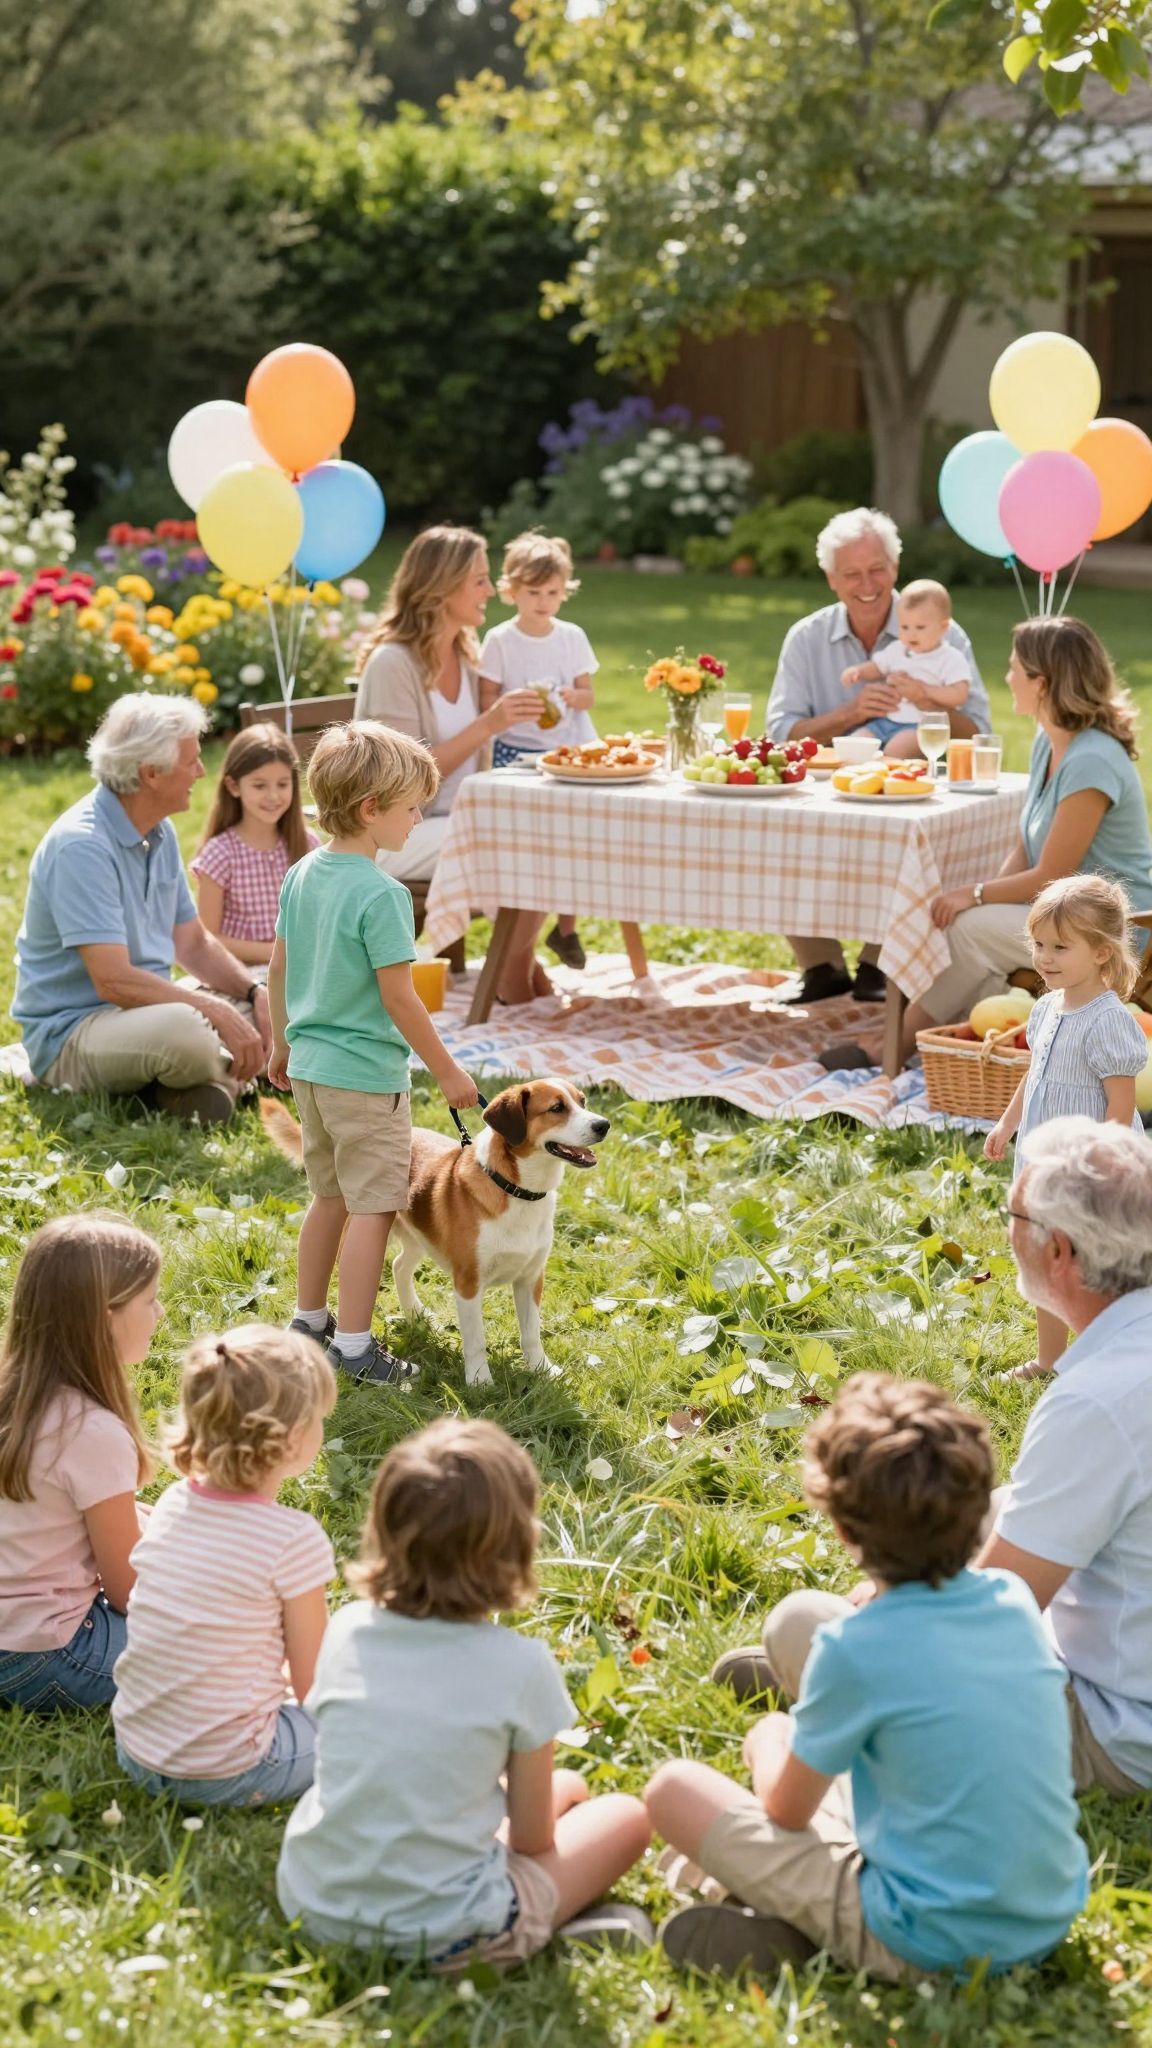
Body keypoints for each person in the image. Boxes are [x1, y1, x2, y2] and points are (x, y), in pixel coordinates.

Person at [649, 1373, 1087, 1982]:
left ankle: (799, 1931)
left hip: (932, 1941)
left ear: (844, 1531)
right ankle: (790, 1919)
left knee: (674, 1791)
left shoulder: (855, 1653)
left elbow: (787, 1808)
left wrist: (769, 1738)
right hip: (1045, 1916)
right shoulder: (1013, 1601)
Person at [277, 1417, 652, 1963]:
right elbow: (529, 1841)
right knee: (624, 1817)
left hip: (314, 1901)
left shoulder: (348, 1628)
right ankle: (510, 1941)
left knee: (567, 1785)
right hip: (440, 1924)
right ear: (516, 1545)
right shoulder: (521, 1665)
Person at [267, 721, 479, 1386]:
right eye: (413, 807)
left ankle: (308, 1320)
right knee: (374, 1207)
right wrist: (447, 1070)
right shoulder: (383, 895)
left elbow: (279, 966)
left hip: (309, 1069)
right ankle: (354, 1347)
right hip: (365, 1079)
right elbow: (400, 998)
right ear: (371, 810)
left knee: (328, 1197)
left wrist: (280, 1039)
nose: (419, 819)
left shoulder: (304, 872)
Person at [977, 1116, 1152, 1798]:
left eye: (1011, 1213)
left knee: (807, 1626)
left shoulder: (1098, 1400)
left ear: (1060, 1253)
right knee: (987, 1510)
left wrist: (877, 1617)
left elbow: (995, 1612)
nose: (1005, 1228)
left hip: (1120, 1726)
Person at [13, 693, 272, 1124]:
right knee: (189, 1033)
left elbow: (192, 944)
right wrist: (215, 1011)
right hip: (74, 1033)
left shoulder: (159, 831)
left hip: (144, 1014)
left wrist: (253, 995)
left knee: (275, 999)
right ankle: (220, 1074)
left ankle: (195, 1085)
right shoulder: (81, 847)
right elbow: (111, 981)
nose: (201, 771)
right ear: (151, 773)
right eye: (191, 761)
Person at [765, 508, 990, 1005]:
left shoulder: (941, 635)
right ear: (830, 579)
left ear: (896, 567)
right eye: (852, 574)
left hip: (910, 794)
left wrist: (931, 703)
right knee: (771, 834)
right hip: (825, 797)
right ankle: (820, 967)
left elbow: (979, 732)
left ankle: (878, 964)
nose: (868, 585)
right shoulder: (807, 639)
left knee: (915, 842)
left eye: (878, 570)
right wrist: (846, 714)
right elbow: (780, 735)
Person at [903, 615, 1152, 1057]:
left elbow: (1053, 871)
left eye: (1014, 667)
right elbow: (1025, 842)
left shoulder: (1092, 760)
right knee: (965, 925)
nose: (1007, 677)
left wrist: (976, 896)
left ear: (1042, 682)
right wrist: (985, 896)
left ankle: (901, 1045)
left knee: (969, 930)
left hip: (1112, 928)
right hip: (1067, 916)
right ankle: (961, 1051)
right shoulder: (1049, 740)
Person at [112, 1324, 337, 1809]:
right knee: (370, 1721)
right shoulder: (294, 1540)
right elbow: (312, 1685)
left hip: (136, 1750)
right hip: (231, 1769)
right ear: (293, 1439)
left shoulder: (172, 1503)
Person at [354, 525, 551, 1005]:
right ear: (442, 588)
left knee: (546, 825)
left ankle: (515, 963)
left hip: (455, 821)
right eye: (480, 581)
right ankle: (511, 970)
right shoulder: (392, 664)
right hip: (390, 832)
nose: (491, 591)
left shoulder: (466, 654)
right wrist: (488, 723)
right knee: (519, 837)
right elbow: (398, 779)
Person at [985, 875, 1148, 1378]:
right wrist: (1007, 1124)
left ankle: (1112, 1354)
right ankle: (1050, 1360)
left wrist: (1095, 1169)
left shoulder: (1108, 1021)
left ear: (1101, 953)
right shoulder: (1044, 1009)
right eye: (1038, 944)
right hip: (1042, 1153)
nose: (1045, 957)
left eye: (1060, 946)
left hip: (1091, 1166)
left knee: (1092, 1264)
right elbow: (1035, 1075)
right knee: (1044, 1253)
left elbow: (1119, 1109)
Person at [0, 1216, 160, 1712]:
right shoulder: (91, 1432)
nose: (160, 1312)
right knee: (218, 1637)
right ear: (105, 1317)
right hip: (48, 1654)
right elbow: (126, 1592)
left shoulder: (16, 1394)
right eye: (150, 1300)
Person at [479, 531, 598, 971]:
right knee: (532, 841)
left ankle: (566, 928)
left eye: (553, 592)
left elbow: (589, 695)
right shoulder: (500, 641)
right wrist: (509, 707)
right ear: (511, 591)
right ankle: (517, 926)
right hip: (518, 752)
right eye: (534, 593)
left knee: (573, 838)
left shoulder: (571, 637)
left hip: (568, 750)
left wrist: (571, 696)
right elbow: (484, 698)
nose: (544, 601)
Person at [190, 724, 320, 970]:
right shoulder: (220, 853)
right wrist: (275, 952)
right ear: (234, 787)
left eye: (282, 784)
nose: (273, 796)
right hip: (241, 974)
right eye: (260, 786)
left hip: (300, 971)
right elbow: (208, 937)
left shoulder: (307, 844)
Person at [841, 578, 971, 747]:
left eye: (920, 627)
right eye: (904, 627)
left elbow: (959, 694)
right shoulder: (897, 649)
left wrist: (923, 691)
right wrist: (857, 671)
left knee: (896, 751)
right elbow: (878, 667)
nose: (911, 635)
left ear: (943, 627)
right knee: (855, 743)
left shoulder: (949, 658)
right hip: (885, 720)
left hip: (918, 727)